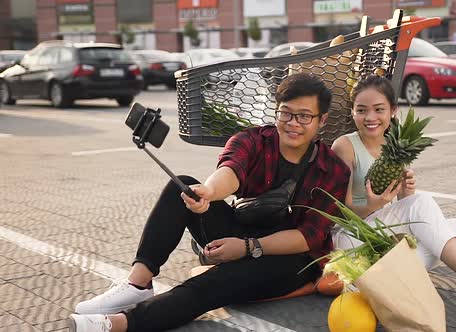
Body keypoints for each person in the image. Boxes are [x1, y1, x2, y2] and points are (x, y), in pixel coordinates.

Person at [69, 73, 351, 332]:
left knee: (217, 281)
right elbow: (231, 169)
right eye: (286, 114)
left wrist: (247, 248)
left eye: (304, 117)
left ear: (321, 120)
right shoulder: (254, 139)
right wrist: (207, 192)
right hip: (244, 227)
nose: (292, 124)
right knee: (182, 185)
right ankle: (138, 283)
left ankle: (118, 324)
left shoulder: (333, 170)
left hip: (289, 261)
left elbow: (308, 237)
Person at [331, 75, 456, 314]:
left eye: (379, 109)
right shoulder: (344, 145)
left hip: (381, 236)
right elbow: (339, 209)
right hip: (351, 236)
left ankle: (381, 280)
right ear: (352, 112)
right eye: (361, 110)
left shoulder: (395, 146)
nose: (370, 118)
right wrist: (375, 204)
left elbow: (405, 208)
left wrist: (407, 190)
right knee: (432, 216)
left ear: (393, 111)